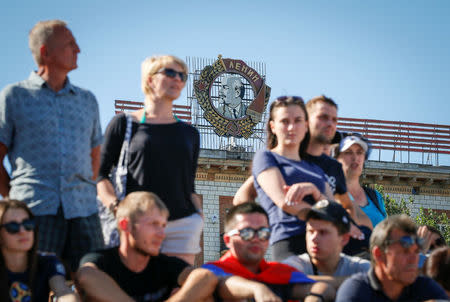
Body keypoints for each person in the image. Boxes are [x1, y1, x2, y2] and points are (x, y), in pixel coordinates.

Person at [0, 20, 104, 271]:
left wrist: (83, 190)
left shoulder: (87, 101)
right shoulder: (14, 96)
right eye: (70, 44)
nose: (77, 49)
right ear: (46, 52)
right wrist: (15, 201)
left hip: (84, 212)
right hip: (35, 211)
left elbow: (95, 156)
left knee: (95, 282)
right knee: (34, 282)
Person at [97, 55, 202, 265]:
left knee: (179, 290)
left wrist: (198, 217)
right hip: (138, 224)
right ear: (149, 79)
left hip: (181, 225)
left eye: (182, 76)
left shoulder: (190, 133)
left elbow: (189, 184)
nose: (177, 79)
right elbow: (99, 175)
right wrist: (117, 208)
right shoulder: (124, 124)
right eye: (170, 73)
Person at [76, 191, 215, 302]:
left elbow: (205, 277)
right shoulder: (102, 261)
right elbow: (86, 275)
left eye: (163, 226)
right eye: (154, 224)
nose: (162, 234)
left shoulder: (165, 264)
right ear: (126, 225)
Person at [252, 96, 334, 261]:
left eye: (297, 121)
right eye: (284, 121)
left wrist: (315, 192)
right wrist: (326, 216)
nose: (291, 127)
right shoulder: (266, 157)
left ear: (306, 126)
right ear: (273, 126)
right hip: (291, 243)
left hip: (327, 245)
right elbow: (285, 202)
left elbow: (334, 209)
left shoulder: (315, 169)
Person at [203, 202, 336, 301]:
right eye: (247, 233)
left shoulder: (279, 272)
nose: (256, 239)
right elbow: (220, 282)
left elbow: (322, 285)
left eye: (263, 233)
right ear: (227, 240)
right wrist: (256, 289)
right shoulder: (208, 273)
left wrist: (316, 295)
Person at [336, 214, 449, 301]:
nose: (414, 259)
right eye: (405, 251)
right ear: (379, 254)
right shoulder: (357, 291)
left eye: (416, 251)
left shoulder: (425, 288)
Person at [0, 199, 78, 302]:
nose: (23, 231)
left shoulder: (48, 262)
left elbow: (62, 292)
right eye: (13, 227)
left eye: (28, 224)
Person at [284, 200, 370, 285]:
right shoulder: (294, 265)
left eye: (323, 232)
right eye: (311, 231)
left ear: (344, 239)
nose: (314, 238)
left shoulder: (361, 268)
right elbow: (286, 277)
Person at [335, 133, 387, 228]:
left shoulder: (375, 196)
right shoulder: (331, 192)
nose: (355, 158)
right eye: (348, 152)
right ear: (337, 158)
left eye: (359, 152)